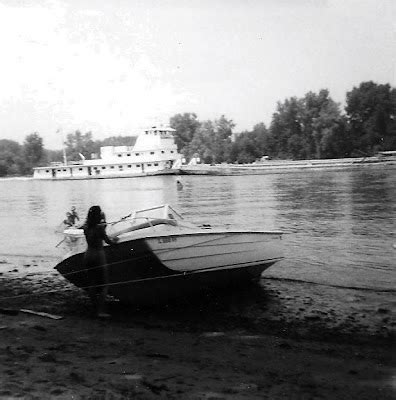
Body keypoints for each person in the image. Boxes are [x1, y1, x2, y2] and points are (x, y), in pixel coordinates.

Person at [82, 205, 118, 318]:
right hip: (98, 256)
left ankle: (94, 309)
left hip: (88, 255)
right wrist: (115, 240)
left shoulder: (85, 227)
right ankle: (100, 311)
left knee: (92, 283)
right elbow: (109, 241)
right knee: (104, 285)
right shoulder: (100, 228)